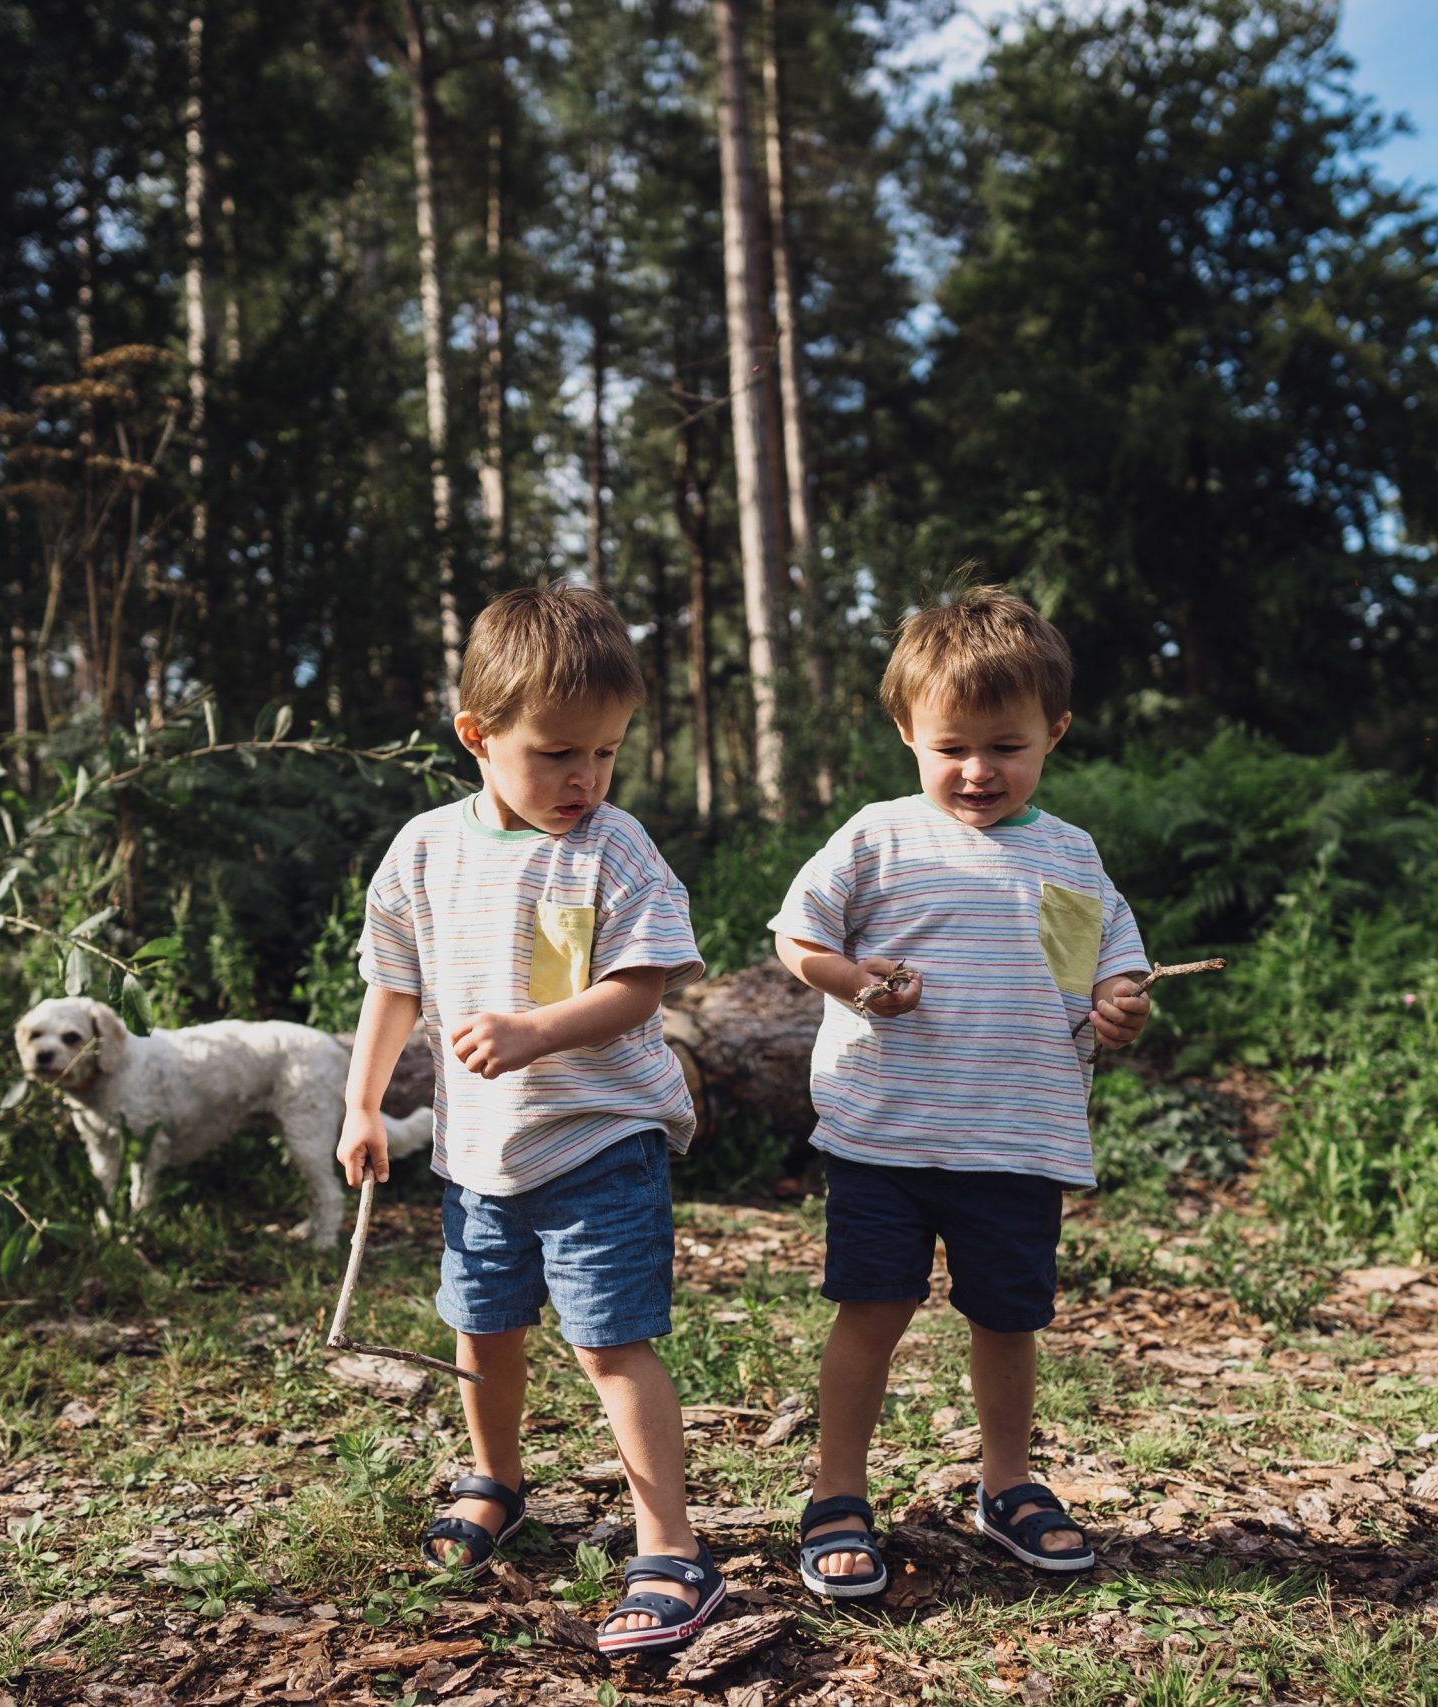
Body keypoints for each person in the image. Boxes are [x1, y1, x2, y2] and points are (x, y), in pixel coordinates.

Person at [336, 585, 723, 1657]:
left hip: (600, 1140)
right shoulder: (422, 851)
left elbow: (641, 991)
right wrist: (363, 1102)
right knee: (484, 1326)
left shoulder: (614, 846)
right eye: (557, 753)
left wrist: (537, 1031)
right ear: (477, 736)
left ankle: (669, 1546)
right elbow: (390, 989)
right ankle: (494, 1481)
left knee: (610, 1342)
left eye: (604, 753)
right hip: (478, 1155)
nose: (583, 779)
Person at [768, 584, 1152, 1598]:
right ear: (906, 732)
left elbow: (1103, 968)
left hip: (1014, 1137)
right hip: (885, 1134)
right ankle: (837, 1492)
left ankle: (1008, 1481)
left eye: (1005, 746)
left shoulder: (1070, 856)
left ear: (1053, 733)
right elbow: (796, 937)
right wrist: (855, 982)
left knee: (1005, 1318)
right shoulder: (878, 837)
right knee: (871, 1309)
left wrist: (1119, 1002)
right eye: (952, 747)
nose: (978, 770)